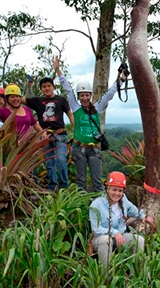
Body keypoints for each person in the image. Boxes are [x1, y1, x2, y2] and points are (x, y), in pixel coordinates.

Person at [53, 56, 127, 192]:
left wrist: (121, 79)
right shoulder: (75, 108)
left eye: (87, 95)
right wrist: (58, 71)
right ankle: (82, 208)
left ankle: (99, 209)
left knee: (97, 180)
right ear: (79, 97)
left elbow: (110, 94)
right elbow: (68, 90)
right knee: (81, 180)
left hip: (94, 149)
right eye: (82, 95)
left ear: (90, 95)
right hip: (79, 148)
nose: (85, 98)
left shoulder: (97, 108)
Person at [21, 77, 74, 192]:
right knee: (49, 162)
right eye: (44, 87)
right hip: (45, 136)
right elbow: (21, 100)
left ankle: (64, 185)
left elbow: (70, 114)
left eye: (49, 86)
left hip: (60, 134)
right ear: (41, 89)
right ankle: (52, 186)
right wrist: (28, 87)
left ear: (53, 87)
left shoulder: (61, 100)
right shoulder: (38, 101)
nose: (47, 88)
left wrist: (75, 127)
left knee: (61, 159)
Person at [89, 171, 154, 265]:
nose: (117, 193)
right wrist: (114, 232)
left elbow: (136, 211)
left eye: (120, 191)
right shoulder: (96, 204)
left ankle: (135, 273)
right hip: (101, 239)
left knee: (139, 240)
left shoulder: (123, 200)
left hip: (120, 238)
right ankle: (106, 274)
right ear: (107, 189)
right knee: (106, 241)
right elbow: (96, 229)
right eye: (114, 190)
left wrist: (144, 216)